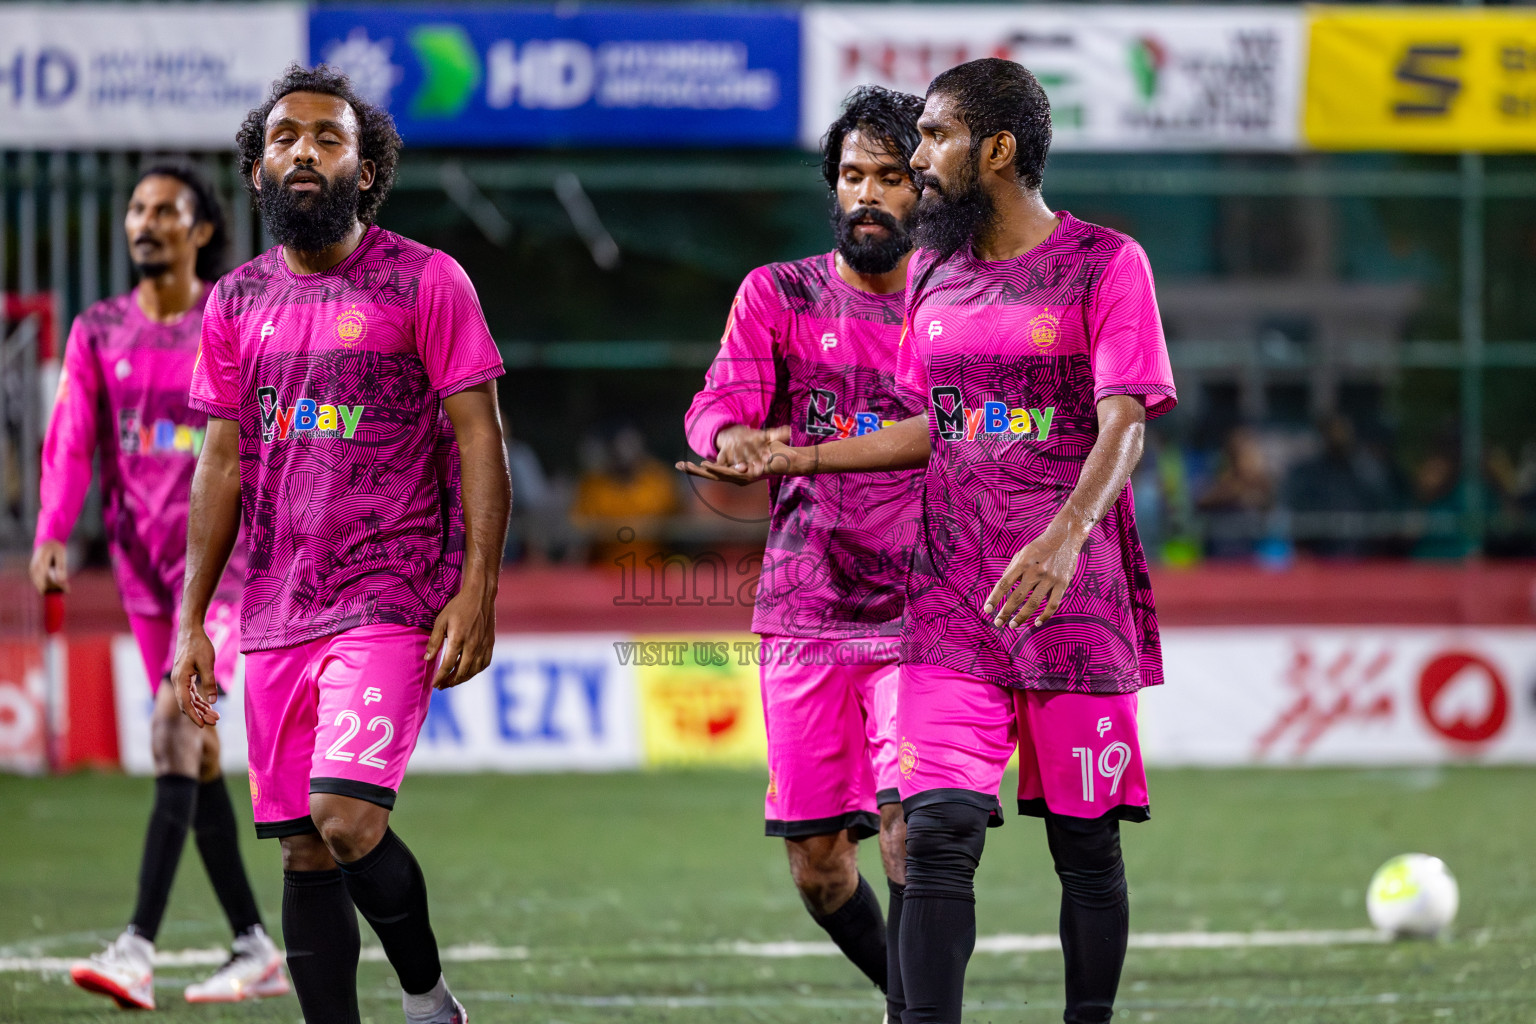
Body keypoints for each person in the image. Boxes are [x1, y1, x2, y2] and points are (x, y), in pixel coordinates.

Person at [682, 58, 1176, 1024]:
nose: (916, 160)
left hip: (1073, 597)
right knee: (938, 831)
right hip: (947, 599)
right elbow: (929, 421)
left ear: (996, 149)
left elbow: (1126, 423)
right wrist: (803, 455)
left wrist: (1067, 533)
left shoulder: (1105, 263)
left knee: (1086, 846)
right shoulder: (936, 276)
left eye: (934, 140)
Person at [171, 65, 510, 1024]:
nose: (305, 153)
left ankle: (425, 997)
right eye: (285, 139)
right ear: (257, 169)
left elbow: (481, 438)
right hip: (277, 604)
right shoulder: (234, 301)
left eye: (329, 139)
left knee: (348, 818)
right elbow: (221, 462)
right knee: (301, 847)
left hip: (391, 593)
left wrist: (476, 587)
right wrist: (194, 619)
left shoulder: (426, 280)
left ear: (366, 171)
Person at [681, 85, 925, 1022]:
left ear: (926, 191)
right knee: (822, 872)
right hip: (805, 613)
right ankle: (912, 998)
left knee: (917, 825)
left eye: (891, 177)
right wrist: (731, 434)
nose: (868, 194)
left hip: (925, 608)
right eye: (852, 175)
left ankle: (922, 1014)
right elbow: (716, 404)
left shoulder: (952, 304)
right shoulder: (776, 294)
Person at [32, 163, 286, 1010]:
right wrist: (51, 531)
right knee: (200, 751)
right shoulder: (98, 331)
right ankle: (254, 943)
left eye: (165, 211)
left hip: (224, 574)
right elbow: (70, 441)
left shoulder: (236, 319)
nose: (145, 223)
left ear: (201, 231)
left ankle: (137, 945)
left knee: (174, 731)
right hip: (145, 583)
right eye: (136, 210)